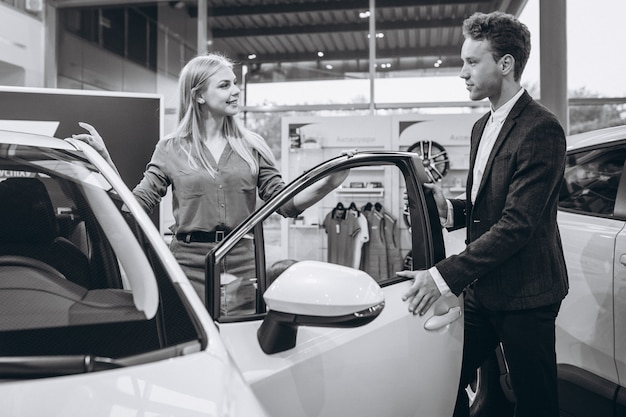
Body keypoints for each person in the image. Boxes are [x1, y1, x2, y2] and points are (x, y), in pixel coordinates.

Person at [70, 52, 348, 310]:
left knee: (242, 344)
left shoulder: (252, 146)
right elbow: (136, 205)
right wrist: (105, 162)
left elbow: (284, 203)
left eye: (235, 84)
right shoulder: (171, 148)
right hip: (187, 267)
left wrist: (327, 184)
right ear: (199, 95)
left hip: (243, 265)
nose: (236, 91)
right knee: (192, 347)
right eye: (225, 85)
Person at [398, 11, 568, 417]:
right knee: (443, 377)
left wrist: (441, 277)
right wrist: (451, 208)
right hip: (483, 290)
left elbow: (516, 225)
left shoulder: (541, 128)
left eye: (473, 62)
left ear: (505, 64)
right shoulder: (481, 126)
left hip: (527, 294)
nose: (463, 73)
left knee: (535, 401)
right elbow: (487, 206)